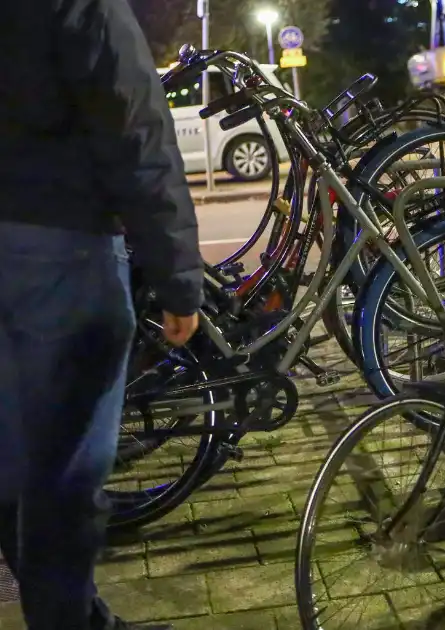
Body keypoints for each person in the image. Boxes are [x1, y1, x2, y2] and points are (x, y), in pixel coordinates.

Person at [0, 1, 203, 629]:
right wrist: (178, 280)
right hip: (62, 248)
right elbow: (133, 125)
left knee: (12, 460)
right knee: (66, 473)